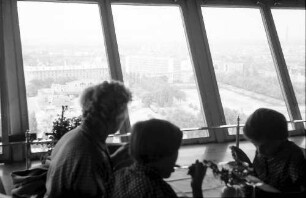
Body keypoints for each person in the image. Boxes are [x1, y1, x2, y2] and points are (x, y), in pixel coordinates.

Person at [45, 81, 132, 198]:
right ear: (114, 115)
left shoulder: (74, 135)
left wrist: (115, 160)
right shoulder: (90, 154)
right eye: (124, 111)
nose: (125, 118)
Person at [111, 119, 207, 198]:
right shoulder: (159, 190)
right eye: (175, 150)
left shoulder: (118, 175)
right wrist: (196, 187)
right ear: (160, 154)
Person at [241, 108, 306, 197]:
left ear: (281, 138)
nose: (259, 151)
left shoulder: (294, 157)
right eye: (255, 144)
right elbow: (257, 178)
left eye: (265, 145)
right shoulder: (263, 152)